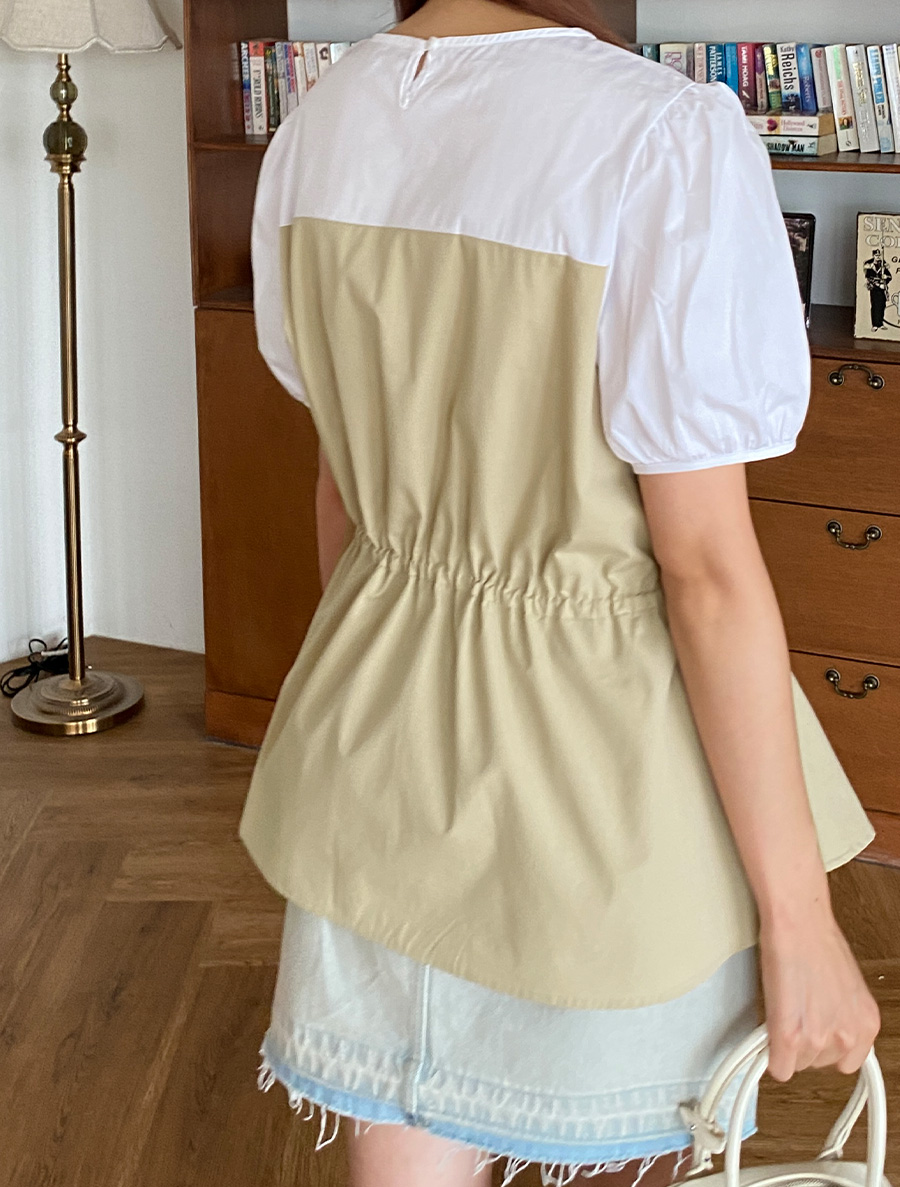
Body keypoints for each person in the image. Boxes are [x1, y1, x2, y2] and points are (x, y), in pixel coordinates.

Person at [241, 0, 883, 1184]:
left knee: (407, 1132)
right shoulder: (661, 136)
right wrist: (800, 920)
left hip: (376, 735)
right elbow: (704, 571)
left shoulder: (321, 121)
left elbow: (344, 492)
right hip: (606, 774)